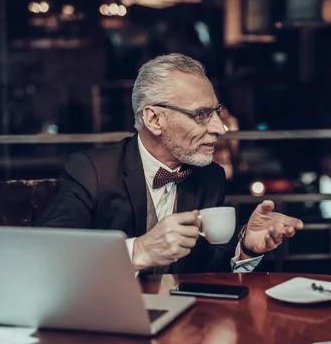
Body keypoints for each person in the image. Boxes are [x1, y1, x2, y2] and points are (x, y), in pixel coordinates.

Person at [38, 54, 303, 274]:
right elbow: (47, 253)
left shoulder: (210, 177)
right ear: (154, 120)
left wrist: (246, 247)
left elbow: (210, 273)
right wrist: (138, 251)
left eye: (216, 112)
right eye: (201, 114)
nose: (219, 128)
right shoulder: (93, 170)